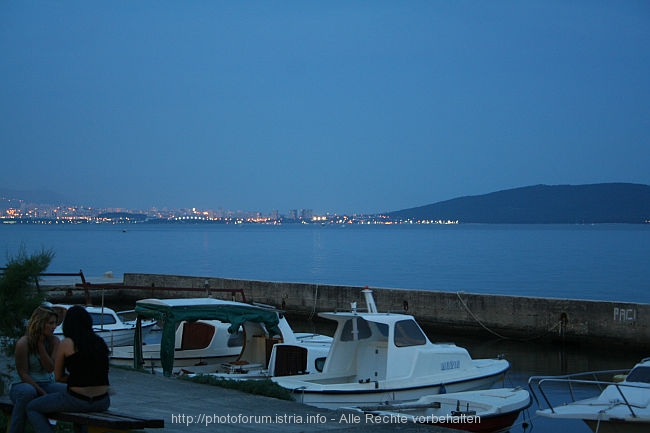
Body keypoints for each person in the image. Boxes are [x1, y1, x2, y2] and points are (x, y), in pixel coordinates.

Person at [26, 305, 110, 432]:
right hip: (103, 401)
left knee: (32, 407)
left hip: (78, 401)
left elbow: (58, 376)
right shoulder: (100, 342)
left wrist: (78, 379)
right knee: (79, 415)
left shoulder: (67, 343)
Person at [8, 305, 66, 433]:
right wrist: (42, 393)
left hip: (46, 383)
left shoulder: (55, 341)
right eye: (50, 323)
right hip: (23, 385)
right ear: (40, 323)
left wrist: (40, 346)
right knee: (29, 392)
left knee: (70, 391)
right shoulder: (22, 343)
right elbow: (23, 374)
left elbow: (50, 368)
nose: (54, 327)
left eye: (55, 323)